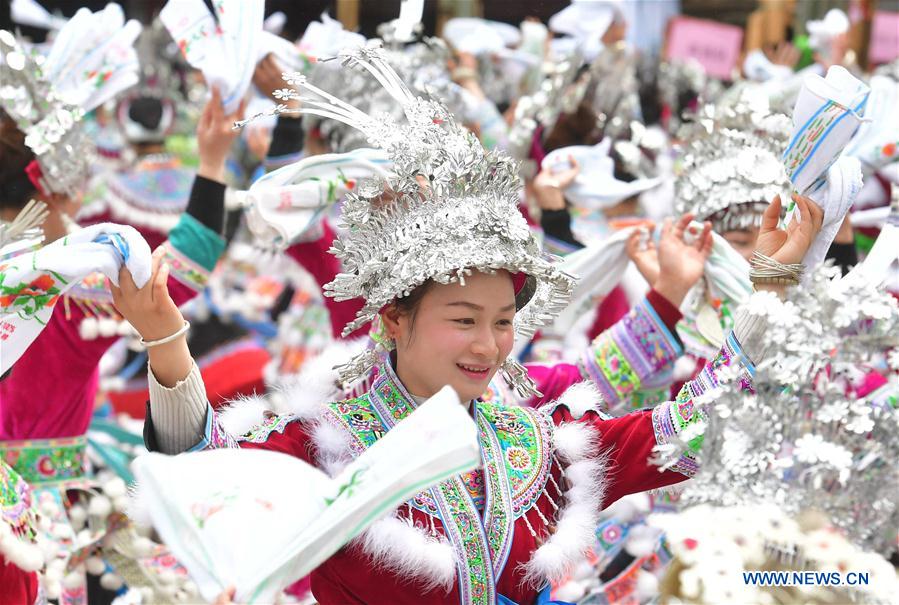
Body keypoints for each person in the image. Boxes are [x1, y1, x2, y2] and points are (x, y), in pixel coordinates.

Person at [115, 50, 824, 605]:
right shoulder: (324, 441)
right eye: (462, 319)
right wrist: (167, 341)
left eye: (504, 321)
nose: (488, 345)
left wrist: (767, 288)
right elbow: (204, 473)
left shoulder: (539, 443)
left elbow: (693, 426)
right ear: (393, 317)